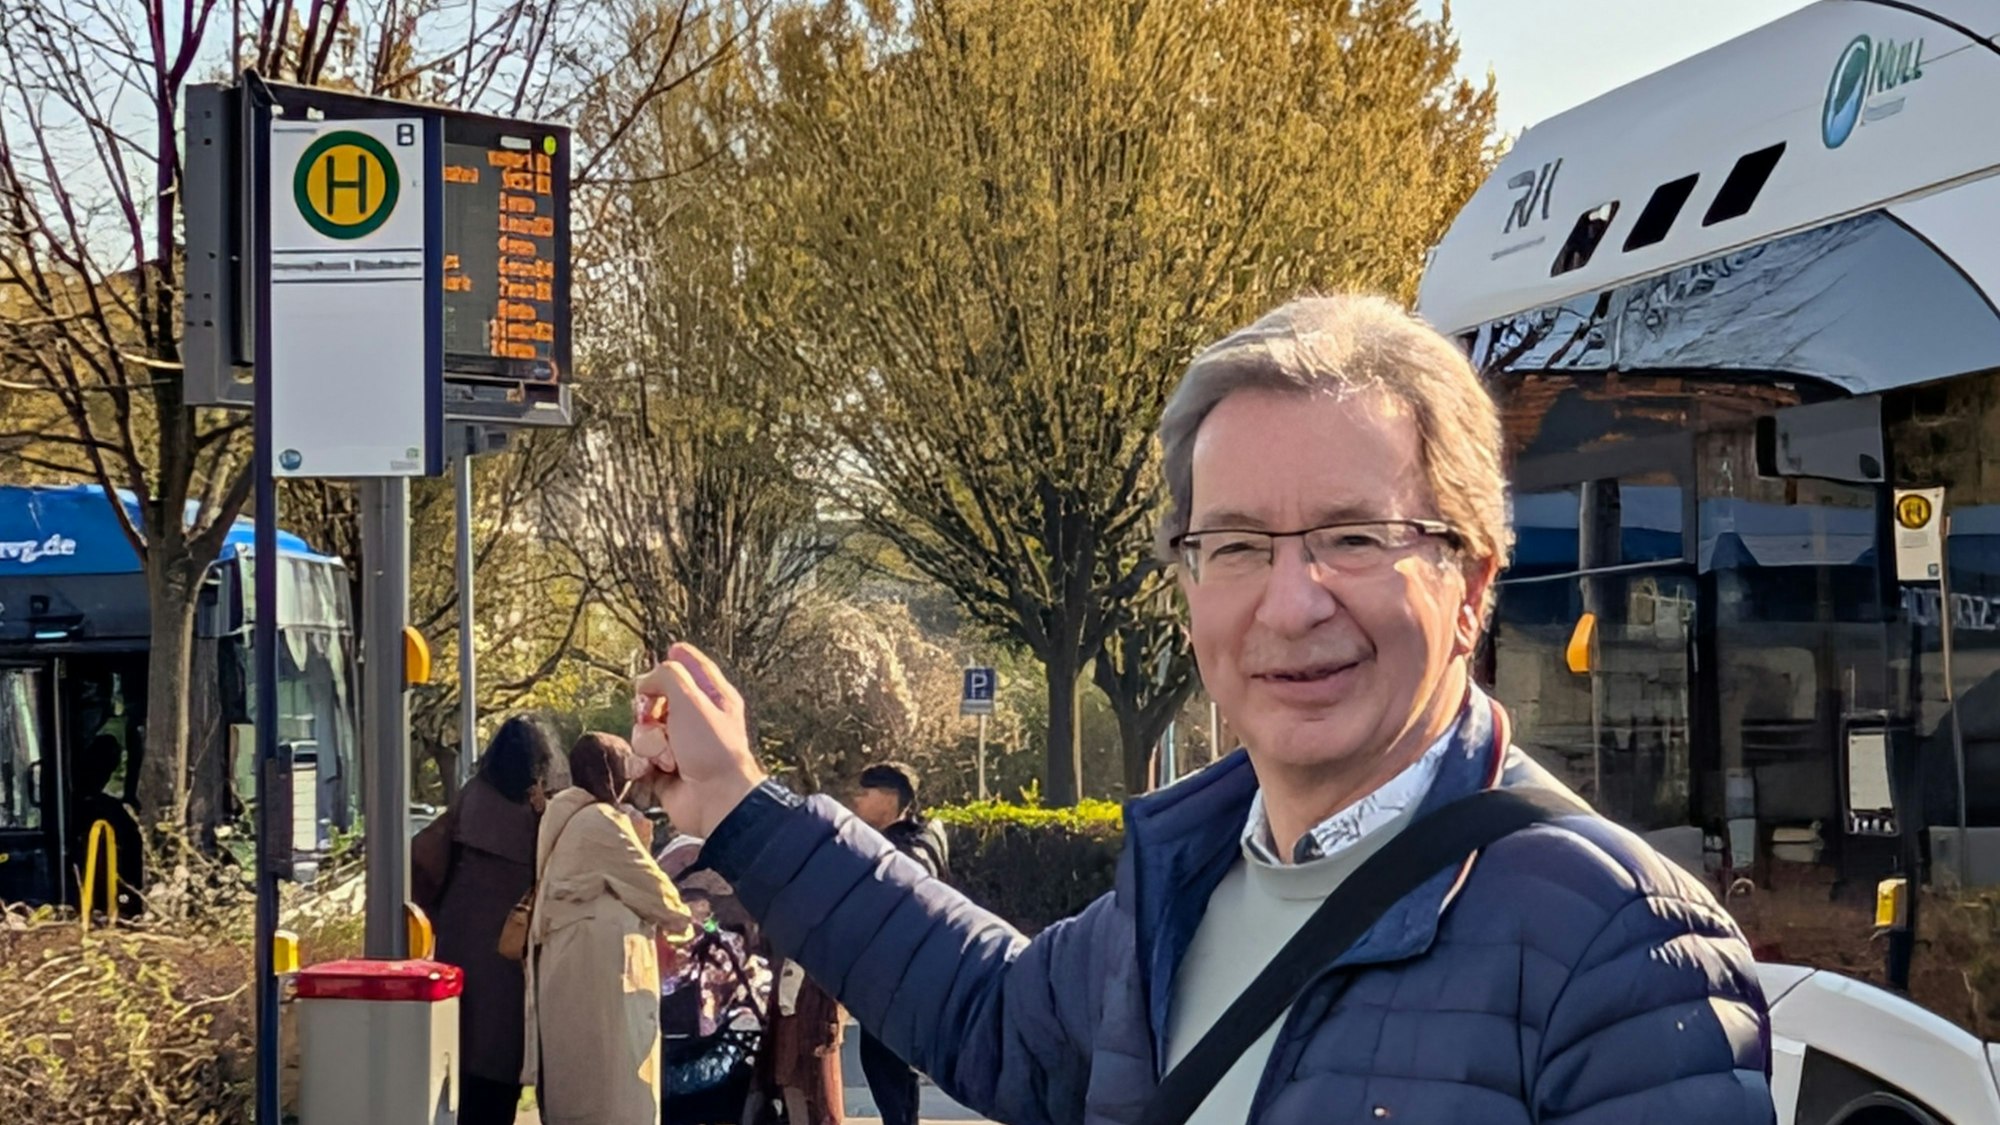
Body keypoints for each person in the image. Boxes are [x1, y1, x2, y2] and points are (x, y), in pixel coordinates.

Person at [635, 294, 1774, 1125]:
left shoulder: (1624, 949)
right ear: (1187, 592)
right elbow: (986, 1013)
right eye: (1233, 545)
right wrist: (742, 807)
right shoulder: (1181, 887)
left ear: (1470, 581)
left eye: (1352, 538)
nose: (1288, 603)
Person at [523, 732, 694, 1125]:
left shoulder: (562, 813)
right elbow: (656, 891)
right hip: (601, 978)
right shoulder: (602, 822)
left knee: (578, 1082)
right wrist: (688, 921)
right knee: (611, 1087)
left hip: (568, 965)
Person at [411, 715, 564, 1125]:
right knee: (502, 1066)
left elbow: (423, 861)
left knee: (460, 1060)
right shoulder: (548, 810)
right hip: (516, 957)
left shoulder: (473, 797)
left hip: (461, 947)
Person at [845, 762, 946, 1125]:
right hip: (911, 974)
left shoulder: (900, 853)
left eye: (865, 792)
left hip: (894, 978)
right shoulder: (926, 837)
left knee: (882, 1062)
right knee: (895, 1066)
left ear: (890, 799)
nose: (857, 800)